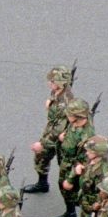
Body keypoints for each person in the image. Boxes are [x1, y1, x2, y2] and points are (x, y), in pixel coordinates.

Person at [24, 65, 75, 195]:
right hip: (52, 130)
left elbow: (59, 129)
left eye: (53, 81)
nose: (49, 83)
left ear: (60, 83)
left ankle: (72, 201)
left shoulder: (65, 102)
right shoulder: (58, 90)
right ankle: (42, 183)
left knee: (66, 169)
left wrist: (42, 143)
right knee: (41, 157)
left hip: (62, 139)